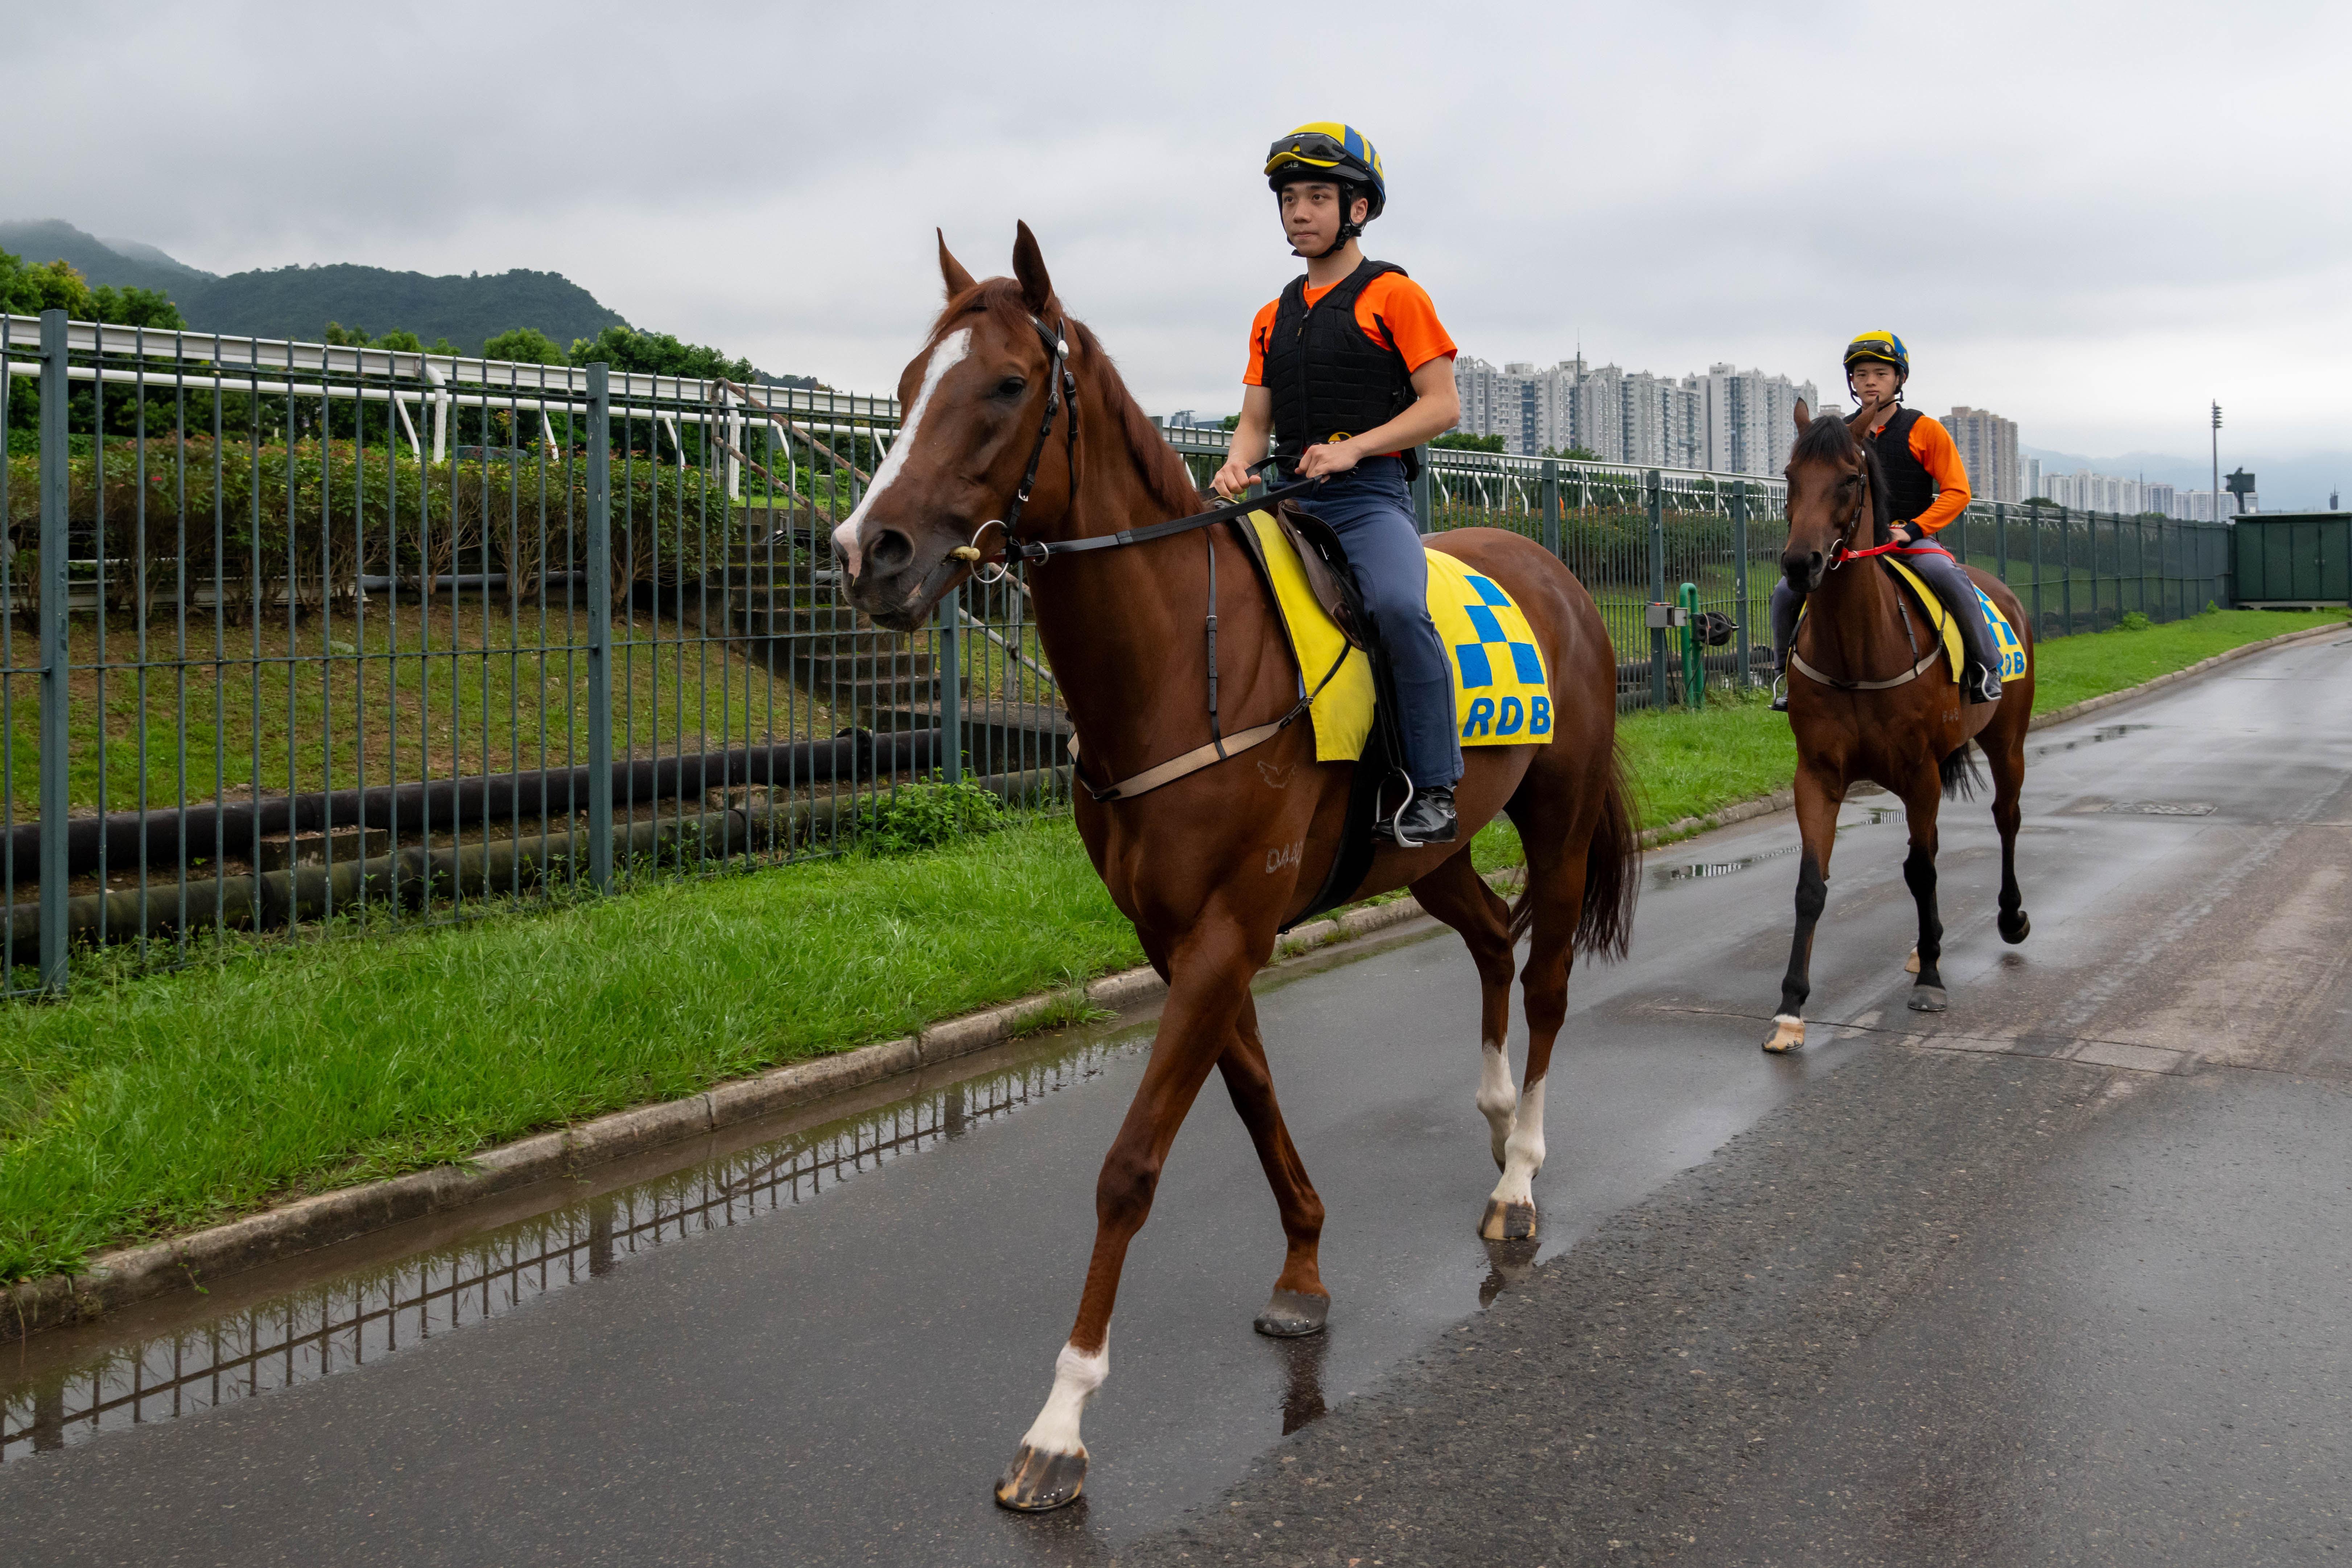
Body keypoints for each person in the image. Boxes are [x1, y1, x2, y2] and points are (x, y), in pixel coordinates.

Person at [1212, 123, 1466, 846]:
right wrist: (1235, 463)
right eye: (1289, 198)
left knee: (1397, 608)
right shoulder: (1271, 316)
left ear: (1358, 209)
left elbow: (1442, 406)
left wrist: (1353, 448)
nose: (1299, 212)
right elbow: (1254, 422)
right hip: (1287, 502)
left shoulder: (1395, 295)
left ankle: (1435, 788)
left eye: (1317, 198)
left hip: (1366, 501)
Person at [1770, 331, 2005, 712]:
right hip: (1850, 545)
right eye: (1861, 374)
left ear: (1900, 379)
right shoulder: (1838, 437)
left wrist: (1912, 530)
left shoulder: (1925, 429)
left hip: (1910, 540)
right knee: (1785, 592)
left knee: (1946, 574)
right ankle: (1785, 675)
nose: (1870, 382)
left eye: (1881, 373)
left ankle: (1985, 666)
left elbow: (1957, 491)